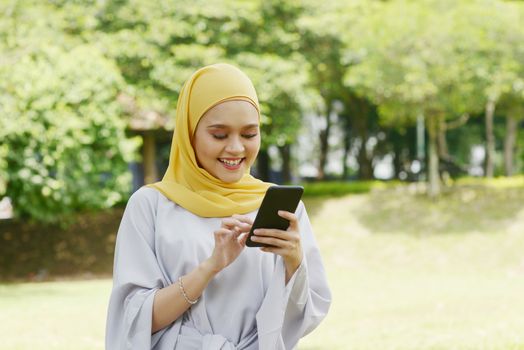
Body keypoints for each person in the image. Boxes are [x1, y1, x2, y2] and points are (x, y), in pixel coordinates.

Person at [105, 63, 331, 350]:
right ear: (190, 134)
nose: (236, 148)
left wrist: (294, 263)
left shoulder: (278, 207)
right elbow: (132, 320)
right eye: (219, 135)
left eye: (249, 135)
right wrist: (211, 267)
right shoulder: (151, 206)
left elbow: (306, 316)